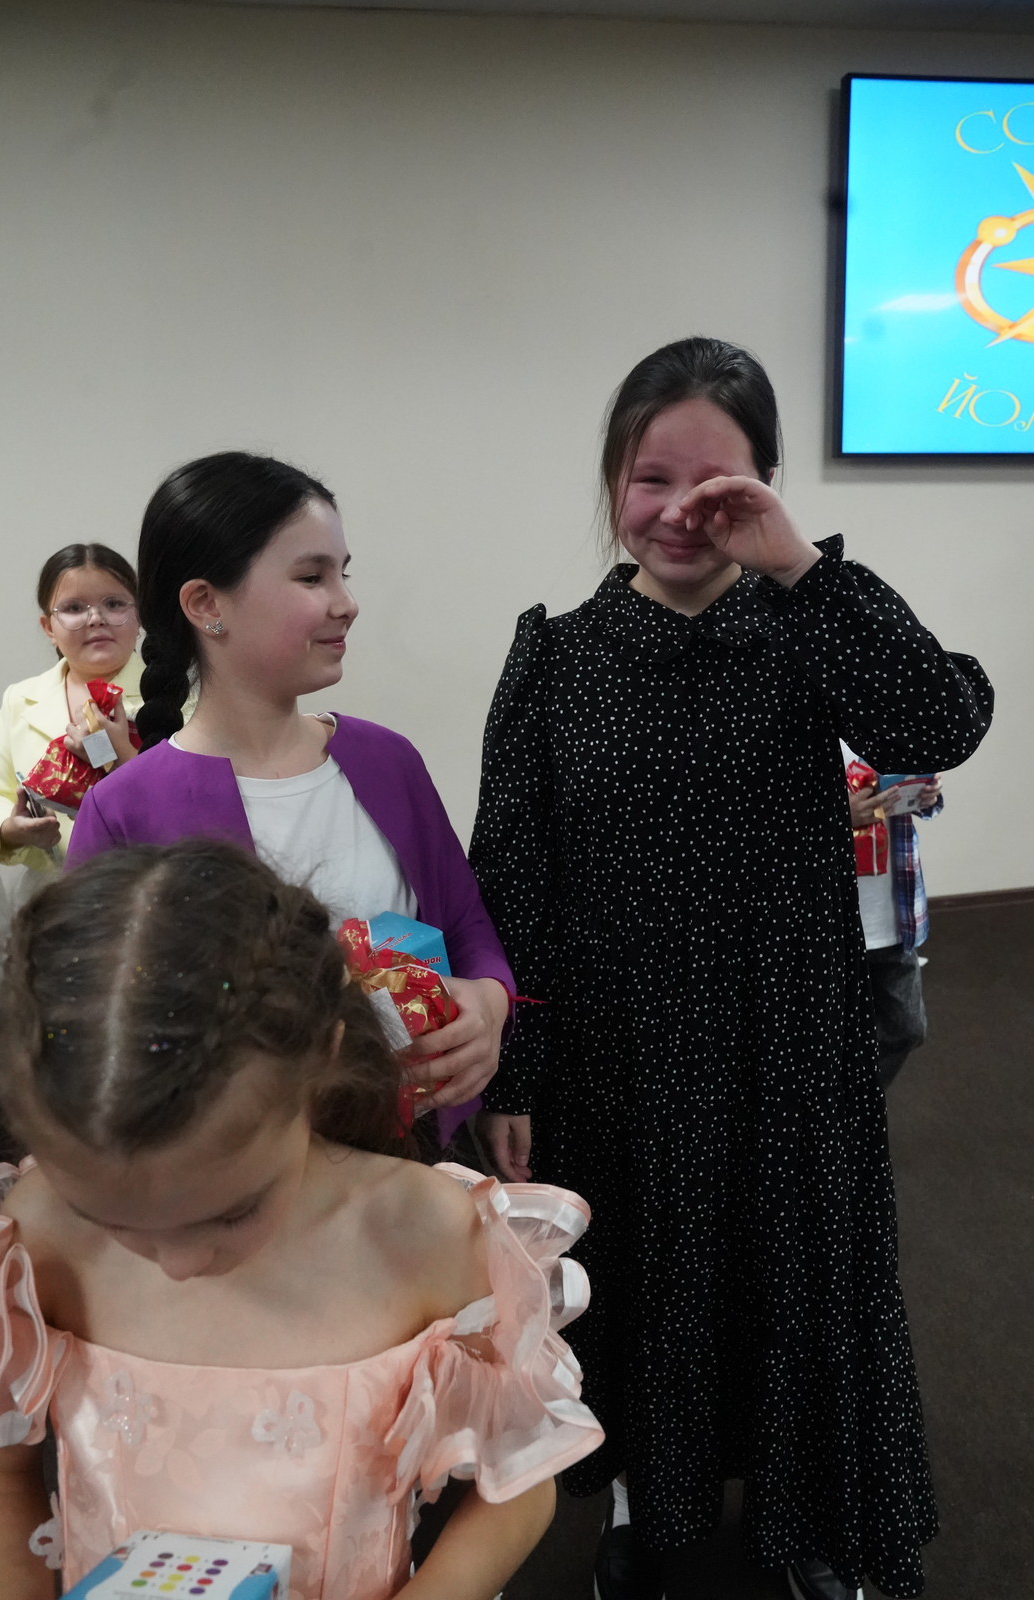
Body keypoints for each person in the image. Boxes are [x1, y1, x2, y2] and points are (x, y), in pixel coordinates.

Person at [469, 336, 994, 1600]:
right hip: (623, 1050)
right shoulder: (556, 655)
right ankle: (645, 1510)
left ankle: (804, 1521)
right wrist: (513, 1074)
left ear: (762, 485)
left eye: (715, 485)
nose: (677, 512)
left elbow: (940, 720)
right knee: (643, 1288)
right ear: (611, 481)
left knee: (795, 1285)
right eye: (649, 479)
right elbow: (512, 879)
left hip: (788, 1037)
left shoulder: (806, 624)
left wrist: (802, 567)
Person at [0, 840, 604, 1600]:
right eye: (106, 1220)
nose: (179, 1266)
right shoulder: (34, 1234)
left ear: (322, 1058)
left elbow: (518, 1487)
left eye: (232, 1211)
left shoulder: (422, 1233)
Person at [66, 452, 512, 1137]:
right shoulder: (125, 810)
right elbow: (96, 1030)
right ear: (206, 604)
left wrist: (488, 1001)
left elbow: (466, 926)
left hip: (413, 1152)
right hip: (238, 1171)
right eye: (311, 576)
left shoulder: (387, 762)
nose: (346, 602)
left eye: (343, 573)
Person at [0, 544, 142, 876]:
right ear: (49, 628)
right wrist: (10, 828)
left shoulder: (177, 697)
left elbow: (194, 806)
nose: (96, 618)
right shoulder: (20, 699)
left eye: (114, 604)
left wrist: (123, 758)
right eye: (74, 608)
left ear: (139, 616)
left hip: (151, 886)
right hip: (53, 891)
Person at [843, 744, 942, 1089]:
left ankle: (855, 1104)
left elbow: (916, 801)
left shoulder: (884, 732)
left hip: (894, 916)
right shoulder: (798, 738)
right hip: (831, 925)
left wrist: (926, 795)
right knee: (826, 1038)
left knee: (907, 1027)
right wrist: (839, 816)